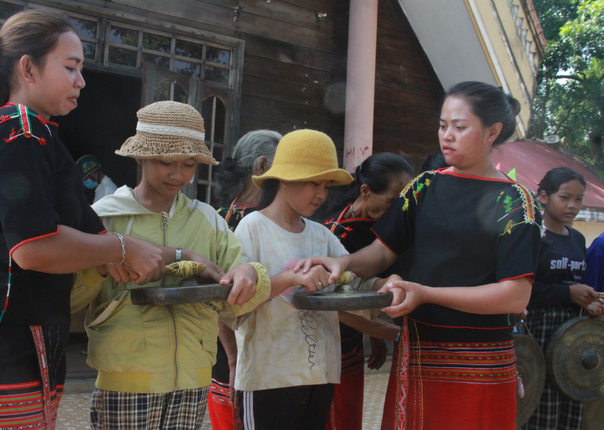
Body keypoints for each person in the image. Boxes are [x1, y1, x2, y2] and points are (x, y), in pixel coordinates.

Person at [0, 10, 165, 430]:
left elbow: (86, 235)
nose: (82, 80)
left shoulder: (41, 136)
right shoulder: (17, 129)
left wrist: (179, 257)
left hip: (23, 349)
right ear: (28, 68)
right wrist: (122, 247)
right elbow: (34, 247)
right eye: (71, 67)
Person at [296, 81, 544, 430]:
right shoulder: (425, 186)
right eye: (443, 126)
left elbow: (516, 295)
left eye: (460, 127)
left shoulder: (514, 201)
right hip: (420, 351)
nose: (447, 136)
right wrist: (343, 262)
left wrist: (426, 293)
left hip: (481, 359)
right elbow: (383, 251)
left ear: (493, 132)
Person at [70, 101, 273, 430]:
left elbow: (243, 286)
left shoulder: (207, 221)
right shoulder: (104, 218)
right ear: (141, 156)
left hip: (193, 381)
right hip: (125, 378)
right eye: (166, 162)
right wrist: (98, 267)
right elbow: (70, 298)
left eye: (190, 164)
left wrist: (249, 275)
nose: (178, 175)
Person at [228, 129, 401, 430]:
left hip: (318, 373)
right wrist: (291, 278)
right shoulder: (252, 228)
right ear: (284, 178)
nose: (321, 194)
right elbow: (236, 301)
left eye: (326, 185)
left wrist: (382, 285)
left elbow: (351, 280)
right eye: (313, 183)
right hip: (268, 377)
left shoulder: (321, 235)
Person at [322, 153, 412, 430]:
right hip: (327, 345)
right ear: (365, 191)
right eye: (394, 200)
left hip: (350, 345)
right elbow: (331, 302)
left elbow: (372, 282)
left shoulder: (375, 226)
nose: (400, 209)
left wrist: (373, 333)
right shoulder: (333, 232)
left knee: (349, 417)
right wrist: (381, 332)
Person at [210, 129, 282, 430]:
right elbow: (218, 294)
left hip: (232, 354)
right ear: (262, 166)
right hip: (244, 355)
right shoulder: (266, 223)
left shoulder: (217, 216)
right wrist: (235, 359)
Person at [524, 167, 601, 430]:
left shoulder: (578, 240)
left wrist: (589, 303)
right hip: (537, 332)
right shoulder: (532, 235)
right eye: (565, 197)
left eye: (578, 199)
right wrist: (568, 292)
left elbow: (577, 287)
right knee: (540, 405)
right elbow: (519, 291)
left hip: (572, 339)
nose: (573, 205)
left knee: (570, 403)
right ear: (543, 197)